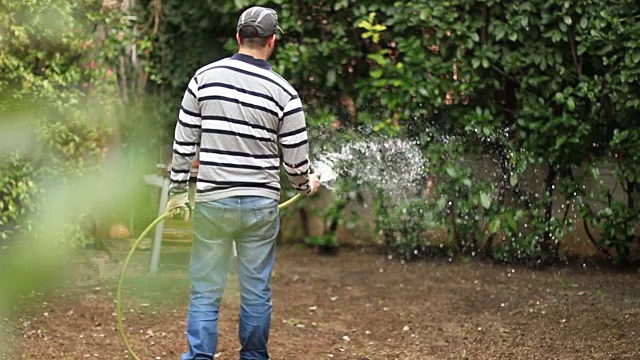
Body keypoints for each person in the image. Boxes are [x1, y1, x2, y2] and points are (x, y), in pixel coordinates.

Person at [165, 6, 321, 360]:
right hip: (260, 208)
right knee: (255, 292)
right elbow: (296, 162)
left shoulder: (204, 78)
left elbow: (183, 141)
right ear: (272, 41)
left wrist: (176, 192)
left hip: (213, 201)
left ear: (238, 38)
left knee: (205, 291)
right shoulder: (285, 93)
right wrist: (305, 184)